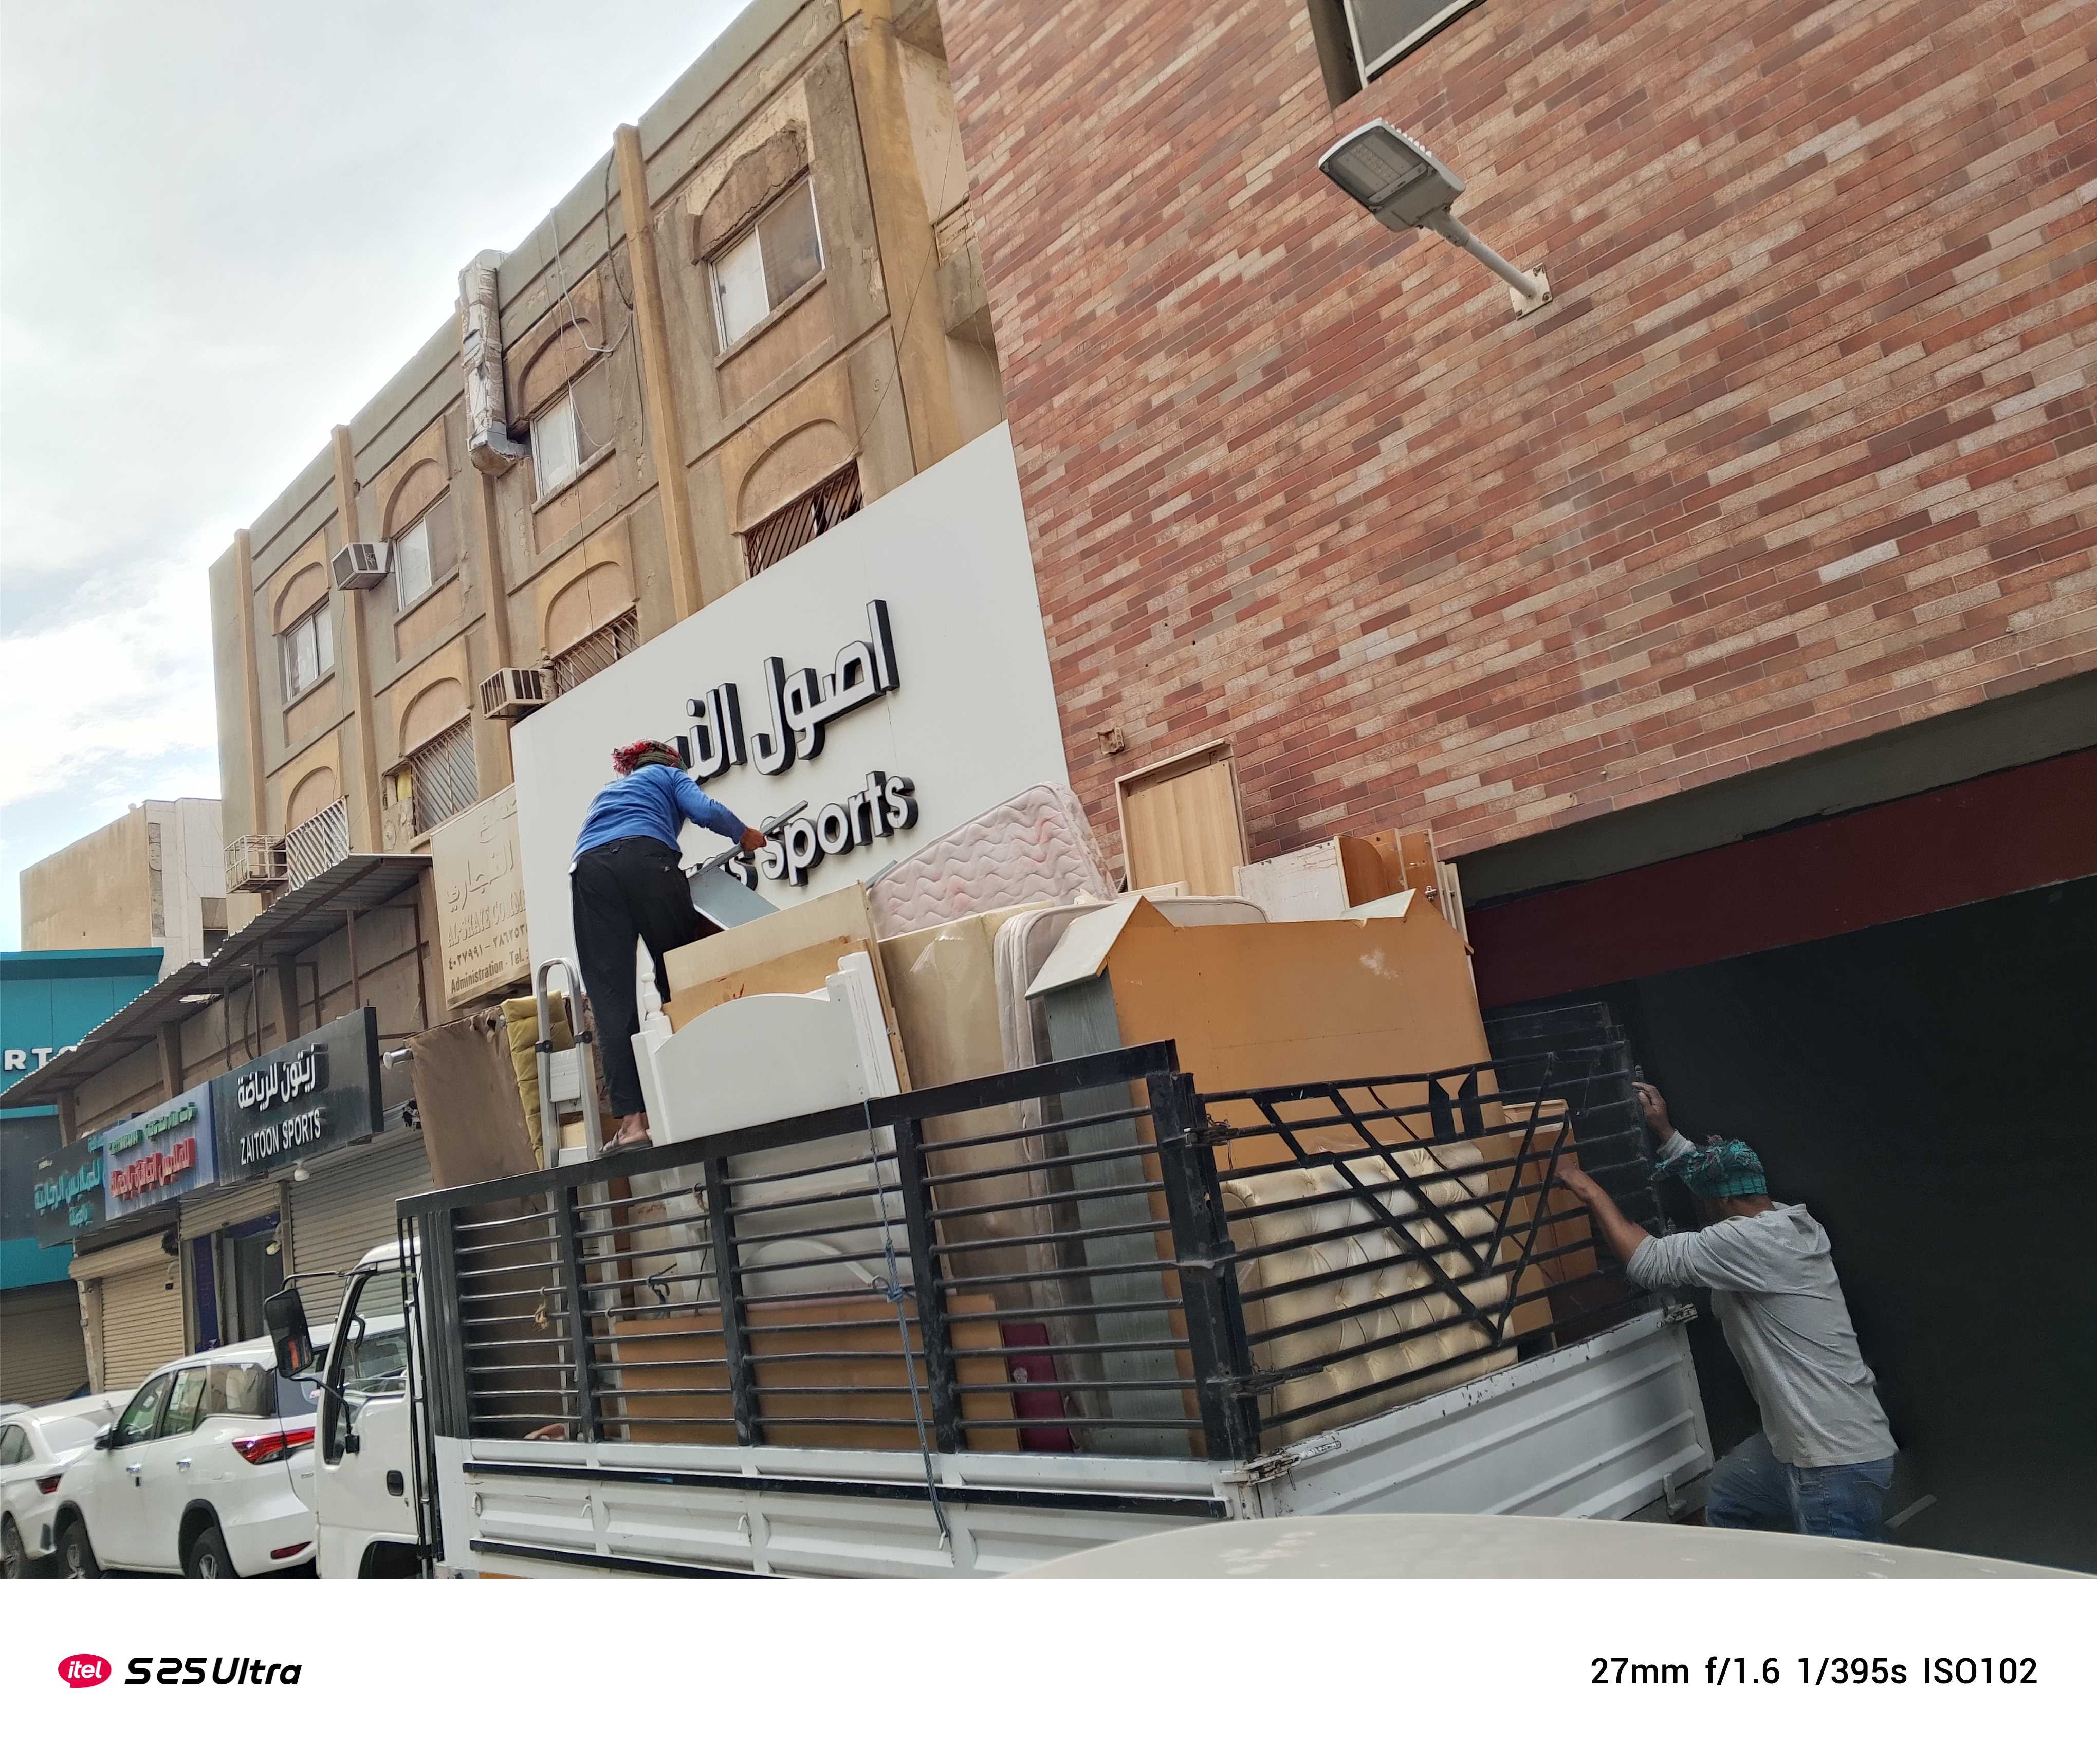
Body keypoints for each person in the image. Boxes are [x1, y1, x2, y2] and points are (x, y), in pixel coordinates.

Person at [1554, 1081, 1898, 1541]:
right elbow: (1720, 1179)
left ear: (1722, 1204)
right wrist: (1666, 1132)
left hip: (1832, 1461)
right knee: (1729, 1497)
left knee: (1841, 1577)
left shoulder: (1748, 1242)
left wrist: (1590, 1191)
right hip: (1816, 1443)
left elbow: (1648, 1261)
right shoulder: (1785, 1220)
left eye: (1706, 1202)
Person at [571, 738, 768, 1150]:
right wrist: (743, 833)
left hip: (590, 872)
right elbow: (705, 811)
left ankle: (632, 1125)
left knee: (611, 998)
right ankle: (698, 1095)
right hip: (648, 862)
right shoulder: (669, 775)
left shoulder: (607, 794)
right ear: (671, 763)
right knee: (679, 976)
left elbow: (605, 842)